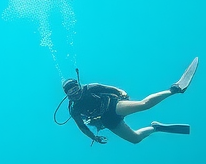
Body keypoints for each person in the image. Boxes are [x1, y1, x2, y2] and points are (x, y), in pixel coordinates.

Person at [60, 58, 198, 145]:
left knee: (145, 105)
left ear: (79, 85)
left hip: (113, 106)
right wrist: (93, 138)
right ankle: (156, 128)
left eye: (76, 89)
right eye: (71, 92)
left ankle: (175, 89)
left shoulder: (90, 88)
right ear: (67, 95)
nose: (76, 93)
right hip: (107, 121)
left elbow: (110, 88)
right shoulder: (74, 109)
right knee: (135, 139)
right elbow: (82, 127)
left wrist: (121, 92)